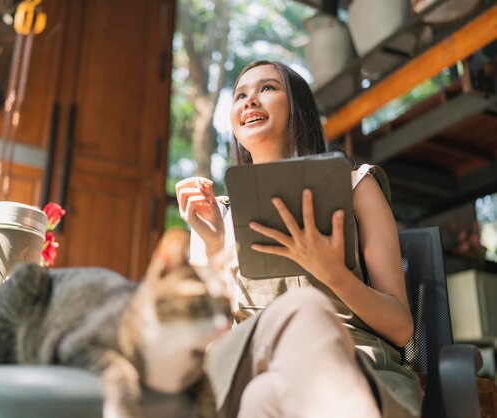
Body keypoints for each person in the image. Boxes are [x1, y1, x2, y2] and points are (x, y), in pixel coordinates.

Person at [175, 60, 423, 418]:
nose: (250, 101)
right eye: (240, 95)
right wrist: (215, 248)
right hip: (252, 368)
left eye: (267, 88)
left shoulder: (357, 186)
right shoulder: (217, 215)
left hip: (352, 368)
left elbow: (401, 330)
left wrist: (333, 273)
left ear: (298, 106)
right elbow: (199, 340)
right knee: (291, 327)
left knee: (266, 390)